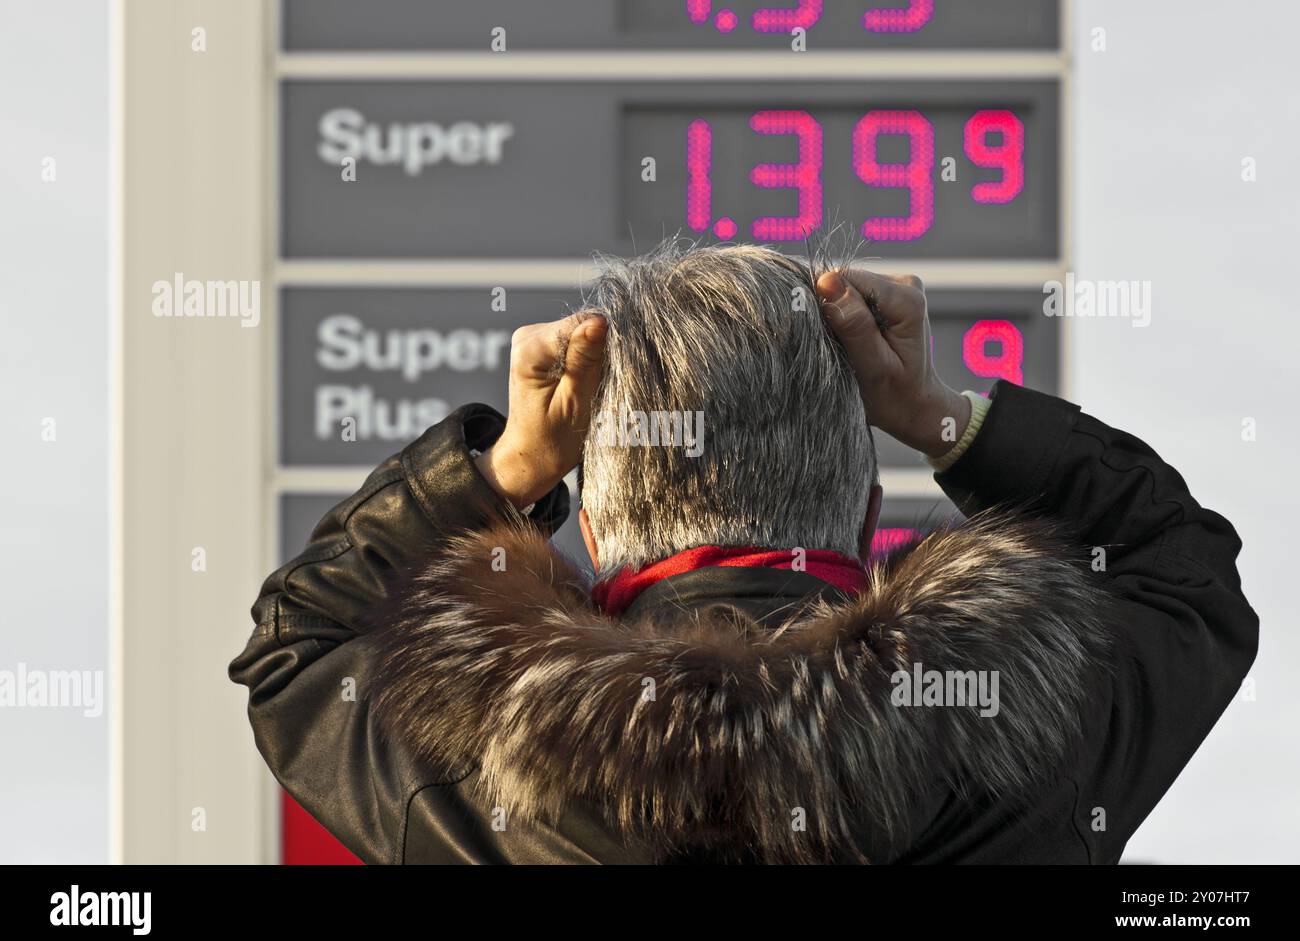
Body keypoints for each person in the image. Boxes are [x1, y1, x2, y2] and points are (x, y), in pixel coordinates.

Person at [229, 242, 1257, 864]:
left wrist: (504, 471)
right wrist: (945, 419)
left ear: (591, 530)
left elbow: (294, 645)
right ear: (861, 518)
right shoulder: (1031, 721)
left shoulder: (479, 767)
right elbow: (1179, 563)